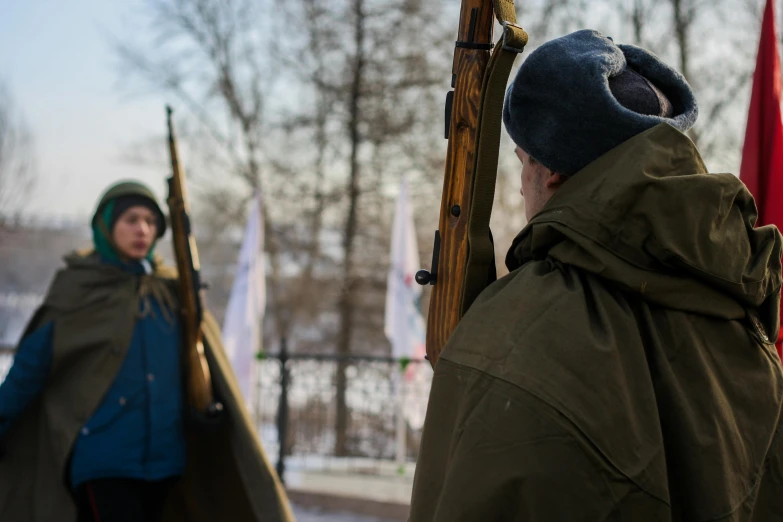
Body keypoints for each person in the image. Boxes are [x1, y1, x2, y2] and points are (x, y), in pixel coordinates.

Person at [409, 30, 783, 521]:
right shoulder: (741, 314)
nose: (522, 189)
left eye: (524, 163)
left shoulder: (518, 332)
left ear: (556, 173)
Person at [0, 181, 294, 522]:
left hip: (166, 461)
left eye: (151, 221)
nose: (142, 229)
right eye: (130, 219)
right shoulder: (78, 291)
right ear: (106, 226)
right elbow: (29, 370)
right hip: (103, 458)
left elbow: (198, 362)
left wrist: (206, 408)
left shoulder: (173, 292)